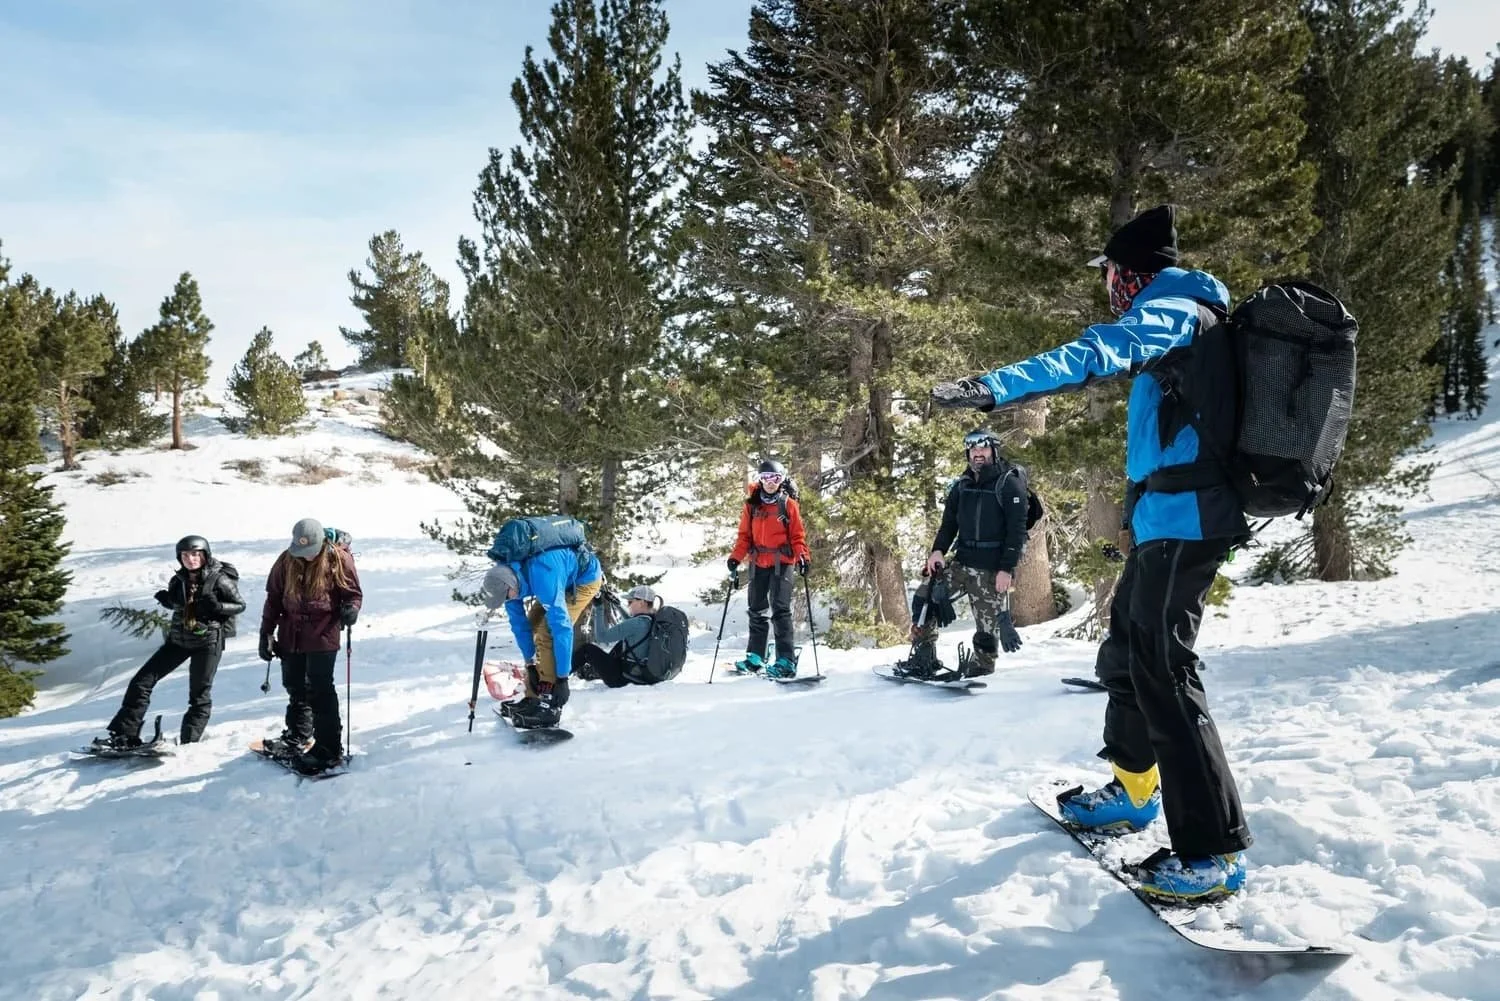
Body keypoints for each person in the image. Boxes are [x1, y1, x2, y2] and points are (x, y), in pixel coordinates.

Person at [930, 203, 1251, 902]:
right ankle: (1133, 791)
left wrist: (995, 386)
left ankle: (1214, 851)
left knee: (1165, 669)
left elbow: (1094, 353)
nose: (1105, 284)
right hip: (1166, 517)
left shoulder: (1176, 313)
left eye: (1108, 272)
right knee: (1127, 652)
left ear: (1129, 273)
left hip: (1191, 517)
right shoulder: (1180, 314)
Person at [901, 429, 1028, 679]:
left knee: (986, 630)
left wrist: (1006, 569)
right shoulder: (962, 485)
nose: (978, 453)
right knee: (925, 598)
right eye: (973, 449)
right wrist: (938, 551)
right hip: (961, 563)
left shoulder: (1009, 483)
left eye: (983, 448)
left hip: (991, 569)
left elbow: (1017, 531)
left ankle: (981, 668)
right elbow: (949, 524)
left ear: (993, 451)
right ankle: (924, 656)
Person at [98, 535, 244, 747]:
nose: (190, 559)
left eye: (195, 554)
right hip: (178, 640)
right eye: (185, 555)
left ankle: (189, 742)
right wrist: (168, 601)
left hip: (207, 642)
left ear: (205, 555)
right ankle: (125, 734)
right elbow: (181, 606)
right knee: (141, 682)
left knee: (199, 695)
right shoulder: (179, 580)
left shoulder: (219, 579)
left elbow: (240, 605)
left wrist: (218, 607)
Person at [258, 517, 363, 774]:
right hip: (291, 632)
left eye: (311, 551)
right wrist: (266, 632)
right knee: (294, 684)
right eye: (301, 551)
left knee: (320, 688)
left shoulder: (338, 559)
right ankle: (298, 733)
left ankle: (328, 748)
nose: (306, 556)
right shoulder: (286, 560)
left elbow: (353, 593)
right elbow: (273, 599)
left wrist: (351, 609)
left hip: (323, 632)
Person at [478, 520, 604, 728]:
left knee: (548, 632)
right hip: (558, 579)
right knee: (533, 625)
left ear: (510, 585)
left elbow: (562, 629)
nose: (507, 600)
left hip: (583, 580)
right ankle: (533, 696)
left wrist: (562, 678)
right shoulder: (508, 583)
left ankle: (549, 705)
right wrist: (530, 664)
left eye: (506, 596)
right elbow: (521, 627)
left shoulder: (542, 575)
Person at [727, 459, 810, 678]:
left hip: (782, 562)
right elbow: (744, 536)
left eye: (774, 478)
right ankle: (756, 657)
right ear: (760, 480)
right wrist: (735, 558)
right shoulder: (752, 505)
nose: (770, 482)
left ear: (781, 479)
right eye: (765, 478)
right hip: (758, 562)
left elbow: (797, 536)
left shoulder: (788, 504)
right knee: (756, 609)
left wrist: (803, 557)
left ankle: (785, 660)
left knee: (780, 610)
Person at [572, 585, 666, 687]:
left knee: (587, 650)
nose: (628, 605)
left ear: (642, 603)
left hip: (623, 679)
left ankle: (561, 677)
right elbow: (630, 621)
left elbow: (601, 637)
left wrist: (599, 608)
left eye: (630, 602)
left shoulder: (637, 623)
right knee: (621, 645)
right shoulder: (651, 620)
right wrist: (617, 604)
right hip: (639, 676)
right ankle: (592, 671)